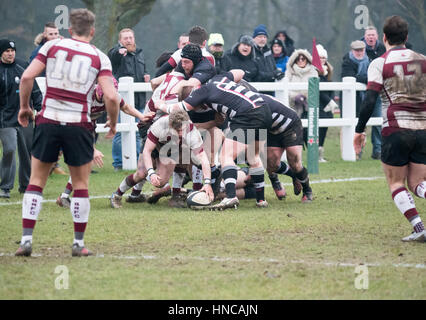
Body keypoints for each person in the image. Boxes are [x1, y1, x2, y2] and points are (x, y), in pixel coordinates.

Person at [15, 8, 119, 257]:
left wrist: (25, 107)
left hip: (48, 120)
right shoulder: (99, 57)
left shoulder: (52, 47)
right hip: (78, 125)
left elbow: (27, 77)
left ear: (70, 30)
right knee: (81, 184)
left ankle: (26, 241)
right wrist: (113, 123)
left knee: (36, 181)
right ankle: (78, 244)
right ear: (92, 31)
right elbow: (112, 96)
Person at [353, 15, 426, 242]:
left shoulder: (379, 63)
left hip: (395, 129)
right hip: (423, 128)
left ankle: (419, 228)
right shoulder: (423, 60)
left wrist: (359, 129)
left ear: (384, 37)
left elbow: (369, 100)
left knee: (396, 182)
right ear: (406, 37)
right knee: (418, 184)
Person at [155, 70, 272, 210]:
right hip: (264, 108)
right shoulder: (218, 79)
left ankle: (230, 197)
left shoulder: (200, 93)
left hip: (247, 113)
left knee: (226, 156)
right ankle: (261, 200)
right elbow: (240, 72)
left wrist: (159, 104)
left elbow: (176, 109)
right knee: (254, 156)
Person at [56, 78, 153, 208]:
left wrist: (141, 117)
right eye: (107, 97)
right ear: (99, 91)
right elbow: (79, 128)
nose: (110, 100)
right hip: (71, 125)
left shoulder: (112, 95)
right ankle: (60, 195)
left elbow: (125, 107)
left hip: (87, 127)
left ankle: (64, 196)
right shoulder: (86, 97)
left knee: (84, 163)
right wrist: (93, 149)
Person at [110, 110, 213, 209]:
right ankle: (116, 195)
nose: (181, 133)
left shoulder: (192, 132)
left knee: (162, 182)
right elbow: (147, 151)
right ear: (170, 125)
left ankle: (175, 196)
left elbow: (203, 158)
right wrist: (151, 173)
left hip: (170, 148)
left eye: (183, 130)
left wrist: (207, 183)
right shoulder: (159, 126)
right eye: (178, 130)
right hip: (154, 144)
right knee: (141, 173)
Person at [0, 39, 42, 198]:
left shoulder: (23, 66)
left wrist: (39, 107)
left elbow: (35, 89)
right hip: (5, 119)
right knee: (10, 149)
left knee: (27, 152)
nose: (10, 54)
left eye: (12, 51)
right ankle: (5, 187)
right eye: (6, 51)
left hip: (25, 116)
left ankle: (25, 186)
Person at [108, 28, 150, 171]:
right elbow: (112, 57)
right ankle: (119, 164)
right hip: (123, 102)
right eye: (125, 38)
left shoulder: (140, 54)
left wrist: (145, 76)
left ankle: (138, 160)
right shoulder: (117, 52)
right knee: (120, 133)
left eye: (130, 37)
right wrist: (119, 52)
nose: (128, 40)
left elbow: (141, 71)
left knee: (139, 132)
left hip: (139, 100)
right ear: (120, 41)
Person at [341, 40, 370, 160]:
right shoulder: (347, 61)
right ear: (352, 51)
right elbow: (350, 76)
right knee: (348, 126)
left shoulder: (369, 60)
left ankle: (359, 151)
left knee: (362, 125)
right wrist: (366, 78)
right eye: (356, 50)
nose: (359, 53)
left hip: (365, 97)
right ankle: (348, 150)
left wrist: (362, 78)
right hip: (350, 99)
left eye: (361, 50)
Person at [362, 26, 386, 160]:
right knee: (360, 121)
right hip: (362, 93)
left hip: (377, 92)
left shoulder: (383, 50)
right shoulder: (360, 49)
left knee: (378, 121)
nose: (370, 37)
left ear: (377, 36)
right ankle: (358, 150)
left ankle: (377, 149)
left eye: (373, 35)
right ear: (365, 37)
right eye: (368, 35)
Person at [316, 44, 339, 162]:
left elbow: (331, 88)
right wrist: (329, 101)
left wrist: (332, 101)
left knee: (324, 130)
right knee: (317, 131)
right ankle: (316, 155)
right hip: (318, 105)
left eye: (324, 57)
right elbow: (318, 91)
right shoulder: (314, 72)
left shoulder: (328, 71)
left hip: (327, 107)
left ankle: (321, 154)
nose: (322, 60)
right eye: (320, 57)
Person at [285, 49, 319, 118]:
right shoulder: (289, 72)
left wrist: (305, 97)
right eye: (298, 59)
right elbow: (286, 90)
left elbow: (315, 89)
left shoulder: (313, 71)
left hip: (309, 106)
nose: (300, 61)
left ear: (307, 60)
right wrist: (294, 97)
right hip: (293, 106)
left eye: (303, 59)